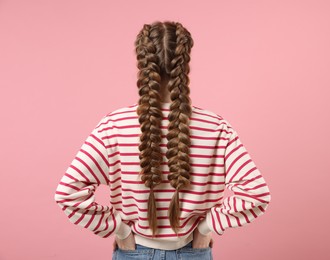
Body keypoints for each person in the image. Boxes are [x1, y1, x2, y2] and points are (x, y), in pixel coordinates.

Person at [54, 20, 271, 260]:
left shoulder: (113, 126)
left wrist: (121, 230)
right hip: (193, 251)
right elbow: (257, 194)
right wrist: (205, 228)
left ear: (142, 64)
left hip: (133, 251)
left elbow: (67, 193)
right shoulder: (216, 127)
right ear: (184, 63)